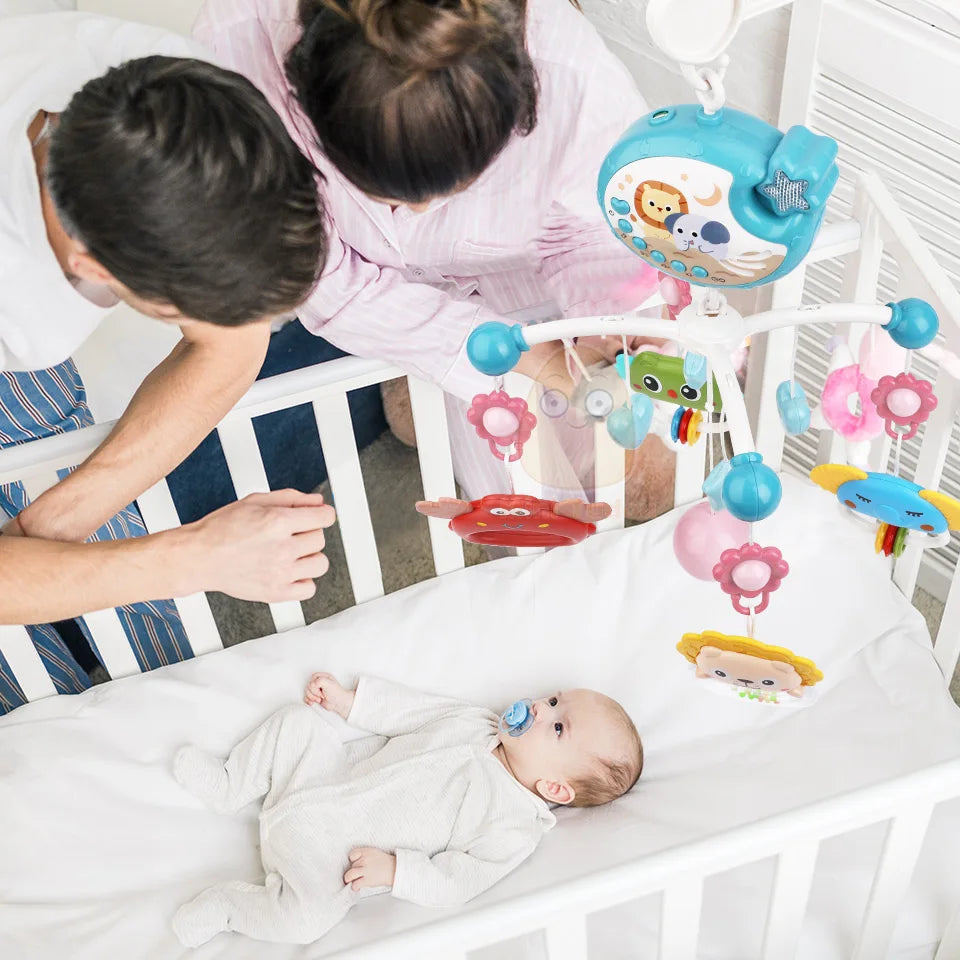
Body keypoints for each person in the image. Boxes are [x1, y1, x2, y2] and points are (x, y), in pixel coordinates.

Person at [194, 0, 681, 521]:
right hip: (386, 282)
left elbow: (590, 233)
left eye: (457, 185)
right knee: (520, 498)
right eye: (385, 193)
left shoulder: (577, 81)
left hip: (527, 263)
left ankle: (422, 389)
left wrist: (602, 322)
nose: (421, 212)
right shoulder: (234, 64)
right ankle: (414, 387)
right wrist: (514, 358)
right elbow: (324, 280)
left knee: (642, 478)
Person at [0, 10, 330, 711]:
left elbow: (233, 343)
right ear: (88, 265)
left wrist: (49, 531)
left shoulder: (178, 99)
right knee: (25, 702)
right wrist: (198, 556)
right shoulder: (24, 298)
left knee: (132, 622)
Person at [171, 672, 642, 945]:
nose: (539, 708)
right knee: (299, 724)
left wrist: (397, 871)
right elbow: (413, 711)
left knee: (307, 921)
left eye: (558, 726)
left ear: (556, 789)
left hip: (331, 862)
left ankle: (227, 907)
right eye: (553, 699)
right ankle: (232, 784)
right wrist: (350, 703)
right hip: (319, 779)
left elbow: (459, 880)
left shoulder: (514, 825)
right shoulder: (476, 722)